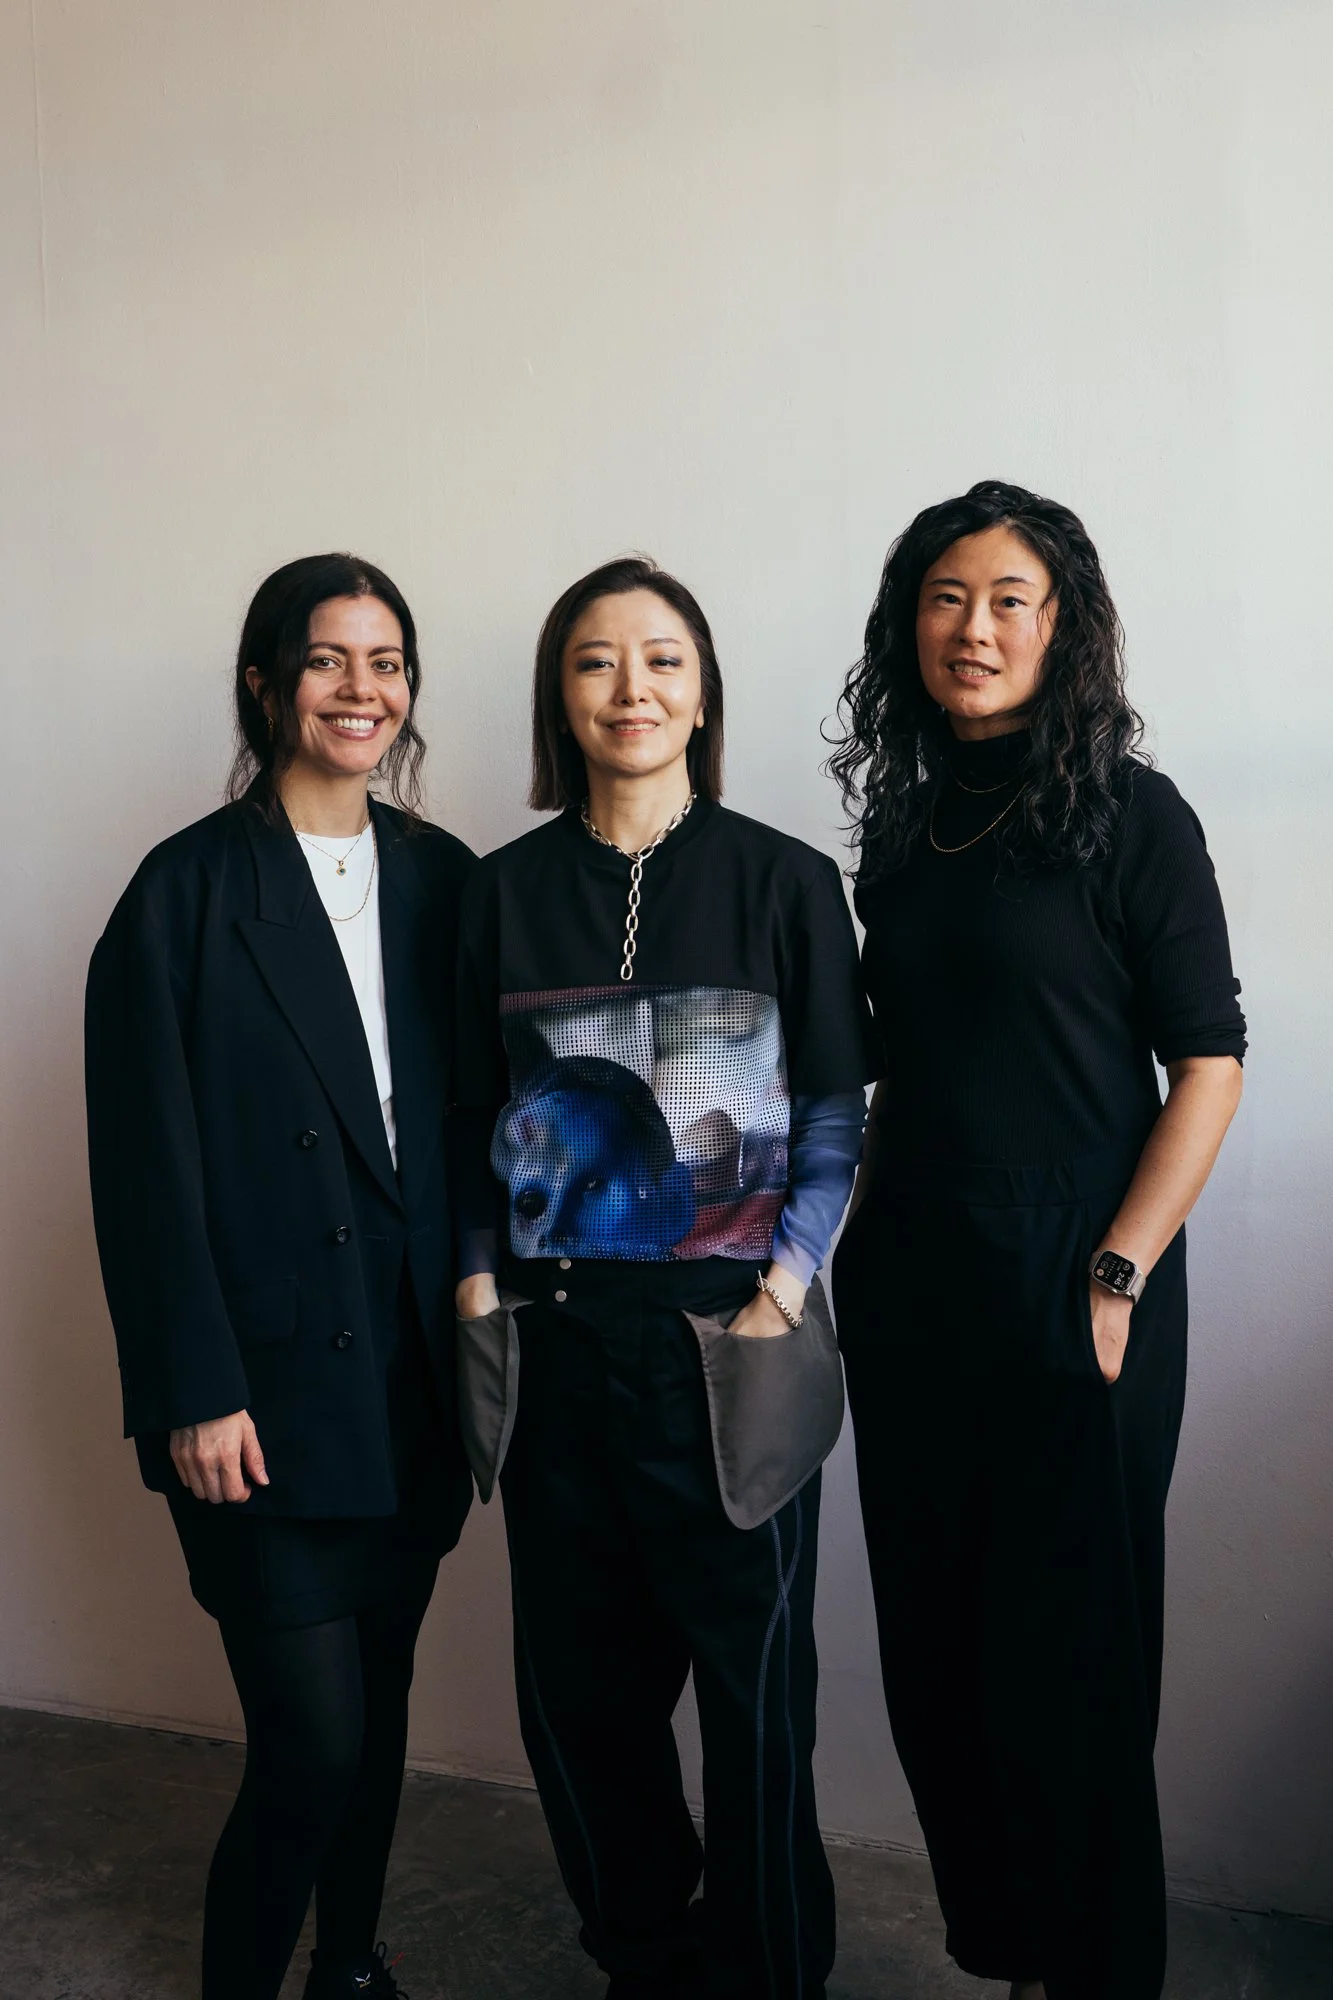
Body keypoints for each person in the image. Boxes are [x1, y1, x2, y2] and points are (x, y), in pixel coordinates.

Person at [827, 481, 1246, 2000]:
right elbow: (877, 1060)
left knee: (1072, 1667)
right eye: (946, 598)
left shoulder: (1134, 812)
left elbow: (1208, 1057)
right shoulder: (904, 822)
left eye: (1010, 598)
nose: (975, 628)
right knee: (938, 1658)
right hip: (916, 1269)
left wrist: (1120, 1270)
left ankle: (1097, 1972)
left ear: (1063, 627)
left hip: (1083, 1271)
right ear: (907, 626)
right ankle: (1013, 1955)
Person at [453, 556, 878, 2000]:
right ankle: (643, 1960)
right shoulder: (498, 894)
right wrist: (473, 1286)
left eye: (661, 660)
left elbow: (835, 1108)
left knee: (761, 1708)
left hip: (731, 1344)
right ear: (557, 698)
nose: (630, 689)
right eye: (593, 662)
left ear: (702, 692)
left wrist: (783, 1286)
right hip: (559, 1348)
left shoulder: (785, 880)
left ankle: (768, 1977)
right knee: (582, 1706)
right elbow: (460, 1119)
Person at [85, 553, 475, 2000]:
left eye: (386, 663)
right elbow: (143, 1175)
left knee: (377, 1713)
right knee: (309, 1738)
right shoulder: (181, 895)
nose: (361, 690)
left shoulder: (445, 879)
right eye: (328, 661)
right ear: (266, 682)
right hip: (254, 1397)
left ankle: (353, 1965)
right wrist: (192, 1389)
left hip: (409, 1379)